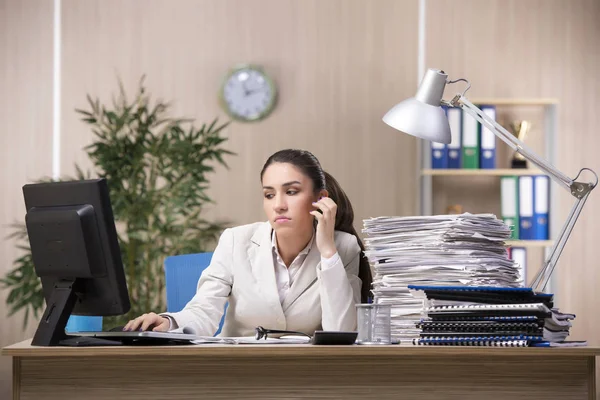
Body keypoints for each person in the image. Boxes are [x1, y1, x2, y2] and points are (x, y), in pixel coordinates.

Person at [124, 149, 373, 337]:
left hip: (306, 378)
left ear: (320, 199)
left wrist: (328, 251)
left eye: (292, 191)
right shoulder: (235, 241)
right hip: (237, 374)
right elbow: (204, 312)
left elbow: (341, 332)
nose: (278, 204)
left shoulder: (343, 246)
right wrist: (168, 323)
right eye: (269, 194)